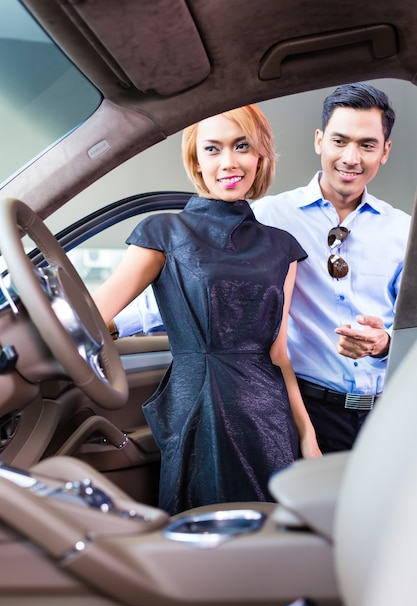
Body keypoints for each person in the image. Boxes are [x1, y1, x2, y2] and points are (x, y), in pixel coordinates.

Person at [94, 104, 321, 515]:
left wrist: (307, 435)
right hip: (198, 407)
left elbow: (278, 353)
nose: (229, 162)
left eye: (242, 146)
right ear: (196, 160)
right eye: (213, 149)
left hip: (268, 416)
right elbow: (91, 313)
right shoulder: (163, 232)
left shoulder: (282, 246)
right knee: (203, 536)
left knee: (271, 538)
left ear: (260, 155)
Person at [251, 82, 411, 454]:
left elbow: (412, 331)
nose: (351, 158)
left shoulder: (405, 230)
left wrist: (384, 343)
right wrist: (113, 325)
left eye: (367, 145)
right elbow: (206, 281)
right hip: (306, 412)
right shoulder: (268, 216)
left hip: (388, 414)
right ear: (319, 140)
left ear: (385, 151)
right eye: (340, 141)